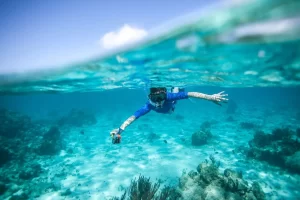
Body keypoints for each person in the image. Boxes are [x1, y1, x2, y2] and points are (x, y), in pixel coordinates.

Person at [110, 87, 228, 144]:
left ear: (164, 95)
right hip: (169, 108)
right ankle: (175, 89)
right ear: (149, 98)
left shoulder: (168, 97)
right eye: (155, 98)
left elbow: (191, 94)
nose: (158, 101)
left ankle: (175, 88)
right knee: (173, 104)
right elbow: (132, 118)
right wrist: (120, 130)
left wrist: (210, 97)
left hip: (171, 107)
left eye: (161, 98)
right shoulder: (148, 106)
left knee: (174, 100)